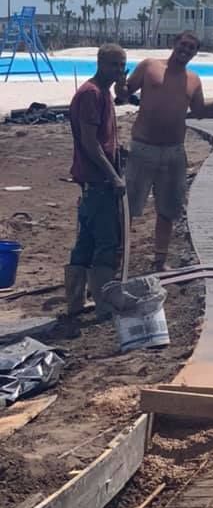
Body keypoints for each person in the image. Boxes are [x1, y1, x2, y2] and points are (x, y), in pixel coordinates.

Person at [116, 32, 213, 272]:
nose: (186, 50)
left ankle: (159, 261)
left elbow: (200, 112)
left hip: (174, 151)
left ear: (195, 53)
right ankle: (119, 260)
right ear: (174, 44)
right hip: (143, 148)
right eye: (183, 45)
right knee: (129, 209)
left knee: (168, 209)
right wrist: (120, 85)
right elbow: (125, 94)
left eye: (192, 48)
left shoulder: (193, 80)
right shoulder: (149, 66)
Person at [65, 43, 127, 333]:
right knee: (106, 242)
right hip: (97, 179)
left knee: (87, 241)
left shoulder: (105, 93)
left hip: (95, 180)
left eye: (122, 65)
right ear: (101, 63)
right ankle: (103, 306)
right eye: (114, 65)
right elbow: (90, 143)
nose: (118, 71)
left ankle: (76, 303)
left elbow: (103, 137)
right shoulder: (91, 94)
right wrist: (112, 174)